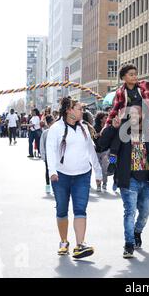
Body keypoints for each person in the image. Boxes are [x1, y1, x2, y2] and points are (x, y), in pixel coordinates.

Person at [98, 106, 149, 259]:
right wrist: (112, 128)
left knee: (145, 212)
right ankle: (129, 244)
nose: (133, 115)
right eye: (130, 113)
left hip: (146, 180)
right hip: (128, 179)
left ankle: (137, 232)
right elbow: (104, 146)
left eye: (136, 113)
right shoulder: (122, 131)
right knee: (129, 212)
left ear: (142, 115)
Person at [46, 97, 102, 259]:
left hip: (82, 175)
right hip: (61, 176)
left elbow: (91, 151)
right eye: (78, 108)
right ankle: (64, 242)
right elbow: (50, 151)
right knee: (62, 209)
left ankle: (80, 245)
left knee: (80, 209)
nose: (81, 111)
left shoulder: (84, 128)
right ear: (69, 110)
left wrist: (98, 172)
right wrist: (52, 171)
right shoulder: (56, 129)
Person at [40, 115, 55, 194]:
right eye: (52, 122)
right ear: (49, 124)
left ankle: (55, 186)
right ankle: (48, 186)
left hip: (56, 156)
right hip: (47, 156)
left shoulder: (57, 131)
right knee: (47, 171)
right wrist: (43, 155)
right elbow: (42, 145)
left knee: (56, 171)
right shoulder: (45, 133)